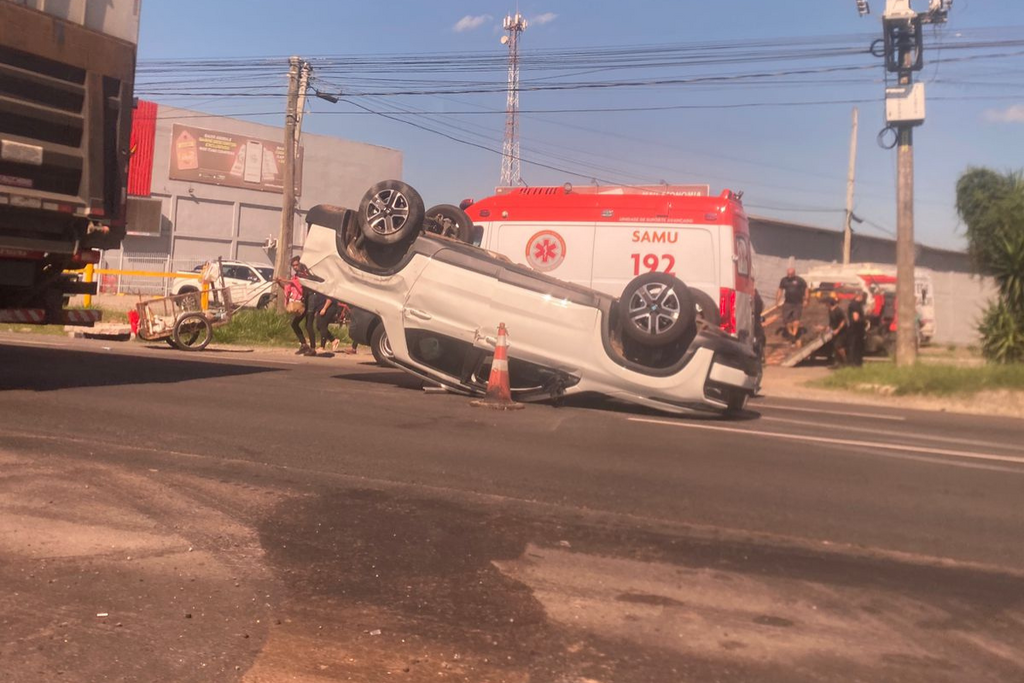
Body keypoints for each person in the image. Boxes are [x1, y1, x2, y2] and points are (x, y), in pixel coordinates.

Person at [276, 256, 316, 356]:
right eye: (293, 265)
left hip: (310, 301)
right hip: (301, 304)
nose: (295, 267)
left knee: (309, 325)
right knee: (294, 324)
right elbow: (288, 287)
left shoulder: (305, 274)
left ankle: (313, 348)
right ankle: (303, 344)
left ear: (300, 264)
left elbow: (299, 283)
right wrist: (279, 282)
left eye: (296, 265)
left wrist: (284, 279)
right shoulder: (295, 276)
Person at [776, 267, 809, 343]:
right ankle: (790, 333)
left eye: (791, 274)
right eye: (788, 274)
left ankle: (794, 335)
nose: (789, 276)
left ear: (794, 273)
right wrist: (777, 301)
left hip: (798, 303)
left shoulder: (800, 280)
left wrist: (806, 299)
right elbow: (780, 290)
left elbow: (806, 289)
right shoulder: (784, 280)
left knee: (796, 319)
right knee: (786, 320)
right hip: (788, 303)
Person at [825, 297, 848, 367]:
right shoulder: (830, 310)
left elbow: (843, 321)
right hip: (834, 331)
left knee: (839, 346)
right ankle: (837, 362)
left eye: (826, 303)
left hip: (842, 331)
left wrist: (838, 329)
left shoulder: (838, 310)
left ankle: (846, 361)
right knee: (835, 346)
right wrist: (829, 327)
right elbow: (831, 321)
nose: (825, 304)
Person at [847, 291, 867, 367]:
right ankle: (855, 363)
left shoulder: (855, 304)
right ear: (860, 296)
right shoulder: (855, 305)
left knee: (855, 346)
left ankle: (855, 363)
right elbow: (856, 318)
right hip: (856, 329)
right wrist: (865, 320)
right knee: (856, 346)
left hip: (855, 329)